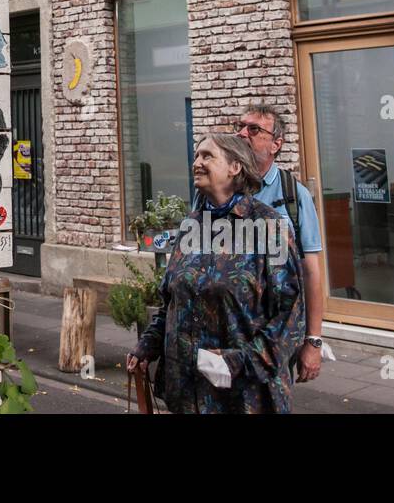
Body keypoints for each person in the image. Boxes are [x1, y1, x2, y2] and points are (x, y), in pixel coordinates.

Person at [127, 132, 304, 413]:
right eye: (197, 155)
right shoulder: (191, 225)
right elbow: (170, 303)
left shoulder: (268, 226)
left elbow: (291, 318)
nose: (197, 161)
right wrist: (148, 344)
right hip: (186, 394)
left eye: (207, 155)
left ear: (236, 168)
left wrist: (238, 361)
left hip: (244, 397)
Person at [235, 104, 326, 382]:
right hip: (228, 330)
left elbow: (310, 271)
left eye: (253, 129)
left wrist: (313, 341)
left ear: (276, 144)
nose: (241, 133)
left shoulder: (294, 196)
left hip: (276, 335)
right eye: (239, 126)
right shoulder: (219, 190)